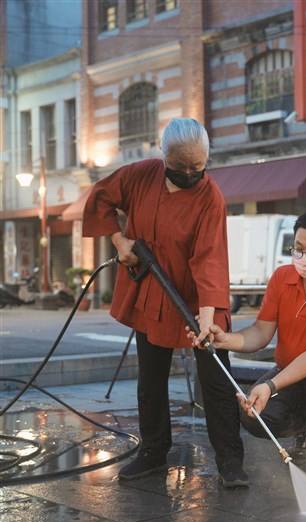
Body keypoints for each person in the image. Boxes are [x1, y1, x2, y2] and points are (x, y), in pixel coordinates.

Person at [82, 118, 247, 488]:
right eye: (181, 166)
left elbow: (209, 259)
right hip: (154, 291)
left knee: (217, 381)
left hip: (199, 298)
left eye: (198, 166)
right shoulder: (140, 175)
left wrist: (206, 319)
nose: (190, 173)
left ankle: (231, 462)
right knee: (151, 378)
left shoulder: (210, 197)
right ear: (163, 156)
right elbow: (101, 197)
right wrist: (119, 241)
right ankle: (153, 453)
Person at [189, 208, 306, 482]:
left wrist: (271, 385)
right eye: (298, 248)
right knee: (253, 416)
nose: (304, 257)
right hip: (292, 373)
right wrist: (226, 339)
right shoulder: (282, 278)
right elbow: (261, 332)